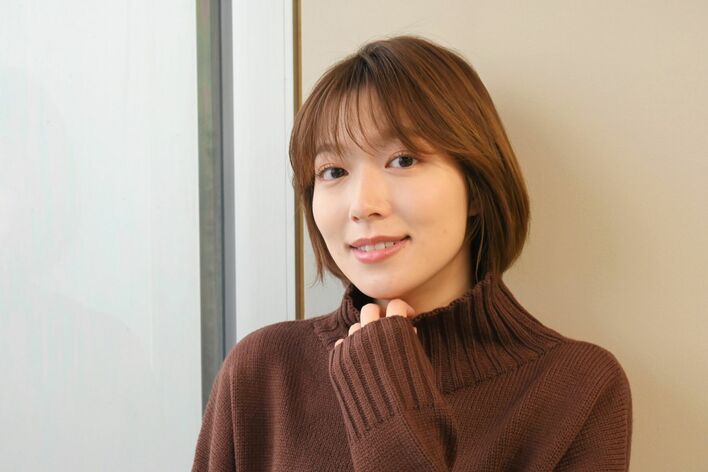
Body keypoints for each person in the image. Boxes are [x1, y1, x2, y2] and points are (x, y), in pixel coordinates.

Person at [192, 35, 633, 471]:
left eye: (403, 160)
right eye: (333, 171)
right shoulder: (263, 372)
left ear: (475, 186)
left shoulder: (577, 389)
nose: (363, 205)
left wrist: (389, 407)